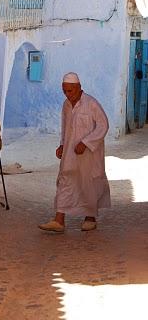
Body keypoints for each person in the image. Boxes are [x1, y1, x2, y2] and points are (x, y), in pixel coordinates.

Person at [39, 72, 111, 232]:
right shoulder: (66, 105)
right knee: (65, 178)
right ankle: (59, 220)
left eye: (69, 91)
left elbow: (103, 125)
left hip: (89, 155)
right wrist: (62, 145)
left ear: (79, 87)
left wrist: (86, 143)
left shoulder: (91, 104)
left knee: (88, 183)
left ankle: (90, 217)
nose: (67, 94)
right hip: (70, 152)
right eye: (64, 91)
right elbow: (65, 127)